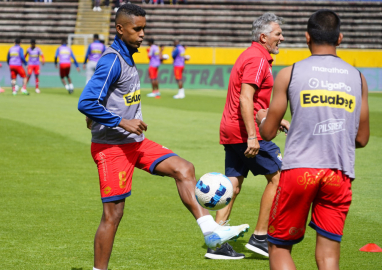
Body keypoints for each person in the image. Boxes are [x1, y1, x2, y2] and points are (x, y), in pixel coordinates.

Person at [77, 4, 249, 270]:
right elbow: (86, 102)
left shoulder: (128, 56)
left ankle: (210, 232)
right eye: (137, 29)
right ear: (120, 29)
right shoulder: (112, 60)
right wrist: (122, 121)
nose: (142, 34)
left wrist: (117, 120)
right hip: (111, 147)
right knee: (113, 214)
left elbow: (104, 102)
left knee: (184, 168)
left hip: (134, 143)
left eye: (144, 28)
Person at [256, 9, 370, 270]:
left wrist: (263, 118)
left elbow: (269, 133)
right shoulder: (358, 78)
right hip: (338, 172)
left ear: (307, 37)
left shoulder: (289, 73)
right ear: (339, 38)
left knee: (279, 247)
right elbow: (362, 139)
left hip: (299, 170)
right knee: (329, 254)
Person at [213, 13, 287, 260]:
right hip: (244, 132)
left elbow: (255, 104)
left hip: (231, 129)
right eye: (278, 34)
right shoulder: (258, 59)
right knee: (279, 177)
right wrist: (253, 137)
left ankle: (217, 242)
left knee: (233, 184)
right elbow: (246, 98)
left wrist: (278, 121)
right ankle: (260, 237)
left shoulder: (250, 54)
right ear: (263, 36)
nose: (281, 38)